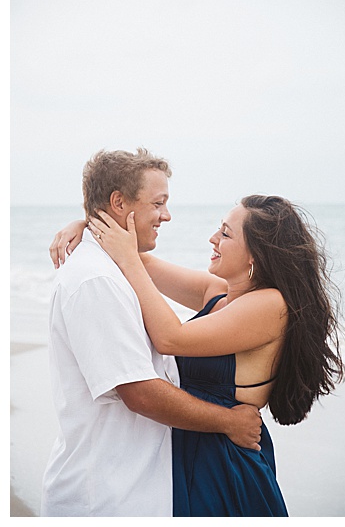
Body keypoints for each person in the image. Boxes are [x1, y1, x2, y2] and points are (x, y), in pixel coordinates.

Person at [43, 149, 264, 516]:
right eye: (158, 203)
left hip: (140, 486)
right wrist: (228, 421)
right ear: (119, 202)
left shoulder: (118, 266)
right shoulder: (97, 280)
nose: (167, 215)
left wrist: (86, 223)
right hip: (105, 497)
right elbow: (140, 392)